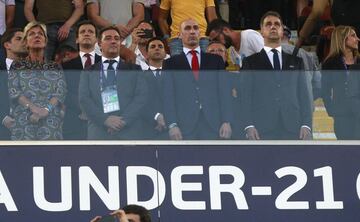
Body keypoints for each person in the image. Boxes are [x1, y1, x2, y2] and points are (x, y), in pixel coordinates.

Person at [241, 11, 312, 140]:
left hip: (293, 127)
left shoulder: (296, 61)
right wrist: (249, 125)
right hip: (261, 127)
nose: (273, 27)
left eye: (277, 24)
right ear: (261, 31)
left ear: (281, 30)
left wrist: (306, 124)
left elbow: (304, 95)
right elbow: (245, 96)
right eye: (268, 24)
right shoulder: (250, 62)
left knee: (292, 161)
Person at [163, 19, 233, 140]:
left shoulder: (215, 60)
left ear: (200, 34)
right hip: (184, 126)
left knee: (215, 159)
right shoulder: (170, 63)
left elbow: (224, 93)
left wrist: (227, 121)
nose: (192, 32)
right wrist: (172, 124)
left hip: (214, 124)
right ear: (179, 35)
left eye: (195, 28)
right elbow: (168, 96)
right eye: (187, 28)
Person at [79, 26, 148, 140]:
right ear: (99, 44)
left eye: (116, 38)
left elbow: (141, 98)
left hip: (129, 133)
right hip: (99, 133)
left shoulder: (134, 69)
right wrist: (105, 120)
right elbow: (84, 99)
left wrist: (123, 121)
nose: (113, 41)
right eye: (108, 38)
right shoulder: (88, 71)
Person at [8, 21, 67, 140]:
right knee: (24, 156)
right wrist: (33, 108)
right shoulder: (17, 65)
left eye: (40, 34)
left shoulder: (54, 66)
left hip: (50, 117)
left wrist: (46, 110)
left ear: (45, 42)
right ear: (26, 42)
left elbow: (60, 91)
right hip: (24, 115)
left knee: (50, 156)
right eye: (32, 34)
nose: (37, 36)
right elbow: (14, 91)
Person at [61, 20, 101, 140]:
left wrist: (96, 112)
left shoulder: (106, 64)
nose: (86, 34)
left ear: (97, 40)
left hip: (102, 119)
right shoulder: (66, 66)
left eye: (90, 32)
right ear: (77, 39)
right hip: (75, 118)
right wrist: (83, 108)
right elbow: (64, 91)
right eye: (83, 32)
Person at [322, 25, 360, 140]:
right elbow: (325, 90)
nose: (358, 39)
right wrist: (332, 110)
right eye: (353, 36)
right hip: (342, 115)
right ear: (342, 39)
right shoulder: (330, 64)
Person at [281, 24, 321, 109]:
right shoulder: (308, 55)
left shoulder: (268, 55)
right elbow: (318, 85)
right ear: (289, 37)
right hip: (304, 108)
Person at [142, 37, 168, 139]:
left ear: (165, 53)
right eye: (153, 47)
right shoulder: (140, 77)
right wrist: (156, 116)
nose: (157, 48)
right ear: (147, 53)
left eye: (160, 46)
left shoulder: (173, 75)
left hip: (172, 127)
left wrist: (168, 118)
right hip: (147, 127)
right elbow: (140, 101)